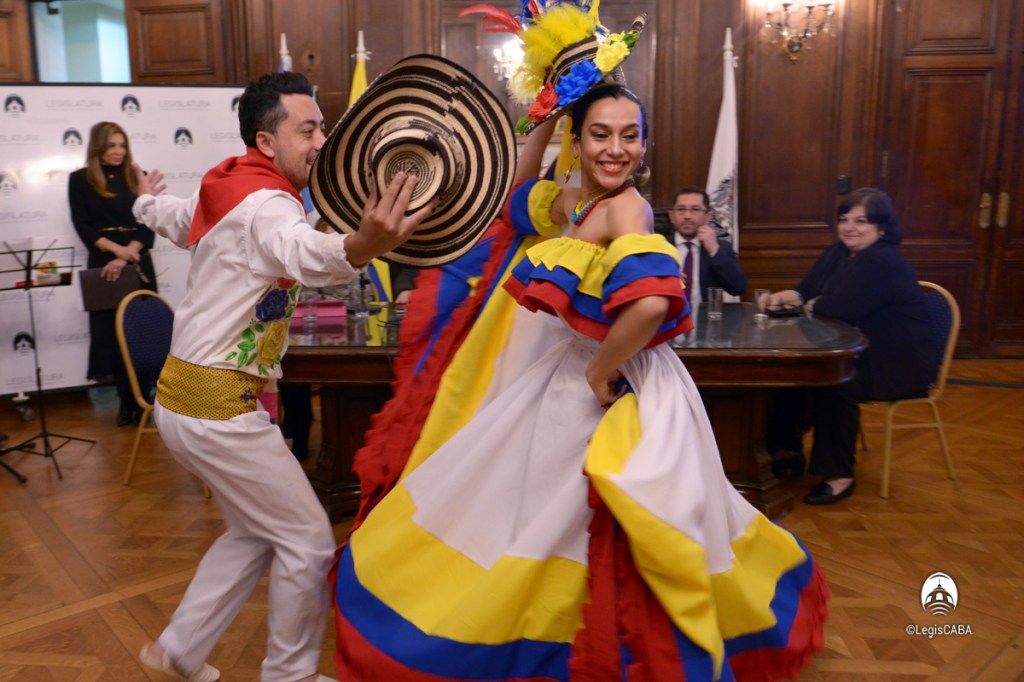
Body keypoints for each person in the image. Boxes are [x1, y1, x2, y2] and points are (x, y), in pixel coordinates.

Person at [331, 81, 827, 680]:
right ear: (578, 139)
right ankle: (552, 630)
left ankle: (582, 643)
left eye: (629, 136)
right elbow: (511, 191)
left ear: (644, 145)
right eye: (600, 134)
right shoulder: (575, 204)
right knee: (542, 518)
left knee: (587, 522)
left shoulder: (628, 208)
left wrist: (599, 370)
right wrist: (546, 110)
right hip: (569, 378)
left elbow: (648, 306)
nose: (616, 149)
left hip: (613, 385)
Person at [129, 71, 433, 682]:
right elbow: (301, 251)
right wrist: (360, 245)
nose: (323, 139)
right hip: (219, 408)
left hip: (185, 401)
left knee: (254, 531)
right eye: (309, 129)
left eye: (322, 125)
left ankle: (176, 650)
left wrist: (140, 199)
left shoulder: (231, 182)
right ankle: (289, 676)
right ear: (267, 143)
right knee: (309, 540)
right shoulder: (268, 203)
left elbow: (173, 213)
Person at [764, 188, 935, 505]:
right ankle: (784, 450)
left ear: (881, 228)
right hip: (860, 350)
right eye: (844, 219)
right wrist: (782, 298)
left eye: (861, 221)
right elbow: (808, 293)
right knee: (789, 374)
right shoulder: (838, 253)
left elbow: (839, 308)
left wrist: (816, 304)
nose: (849, 227)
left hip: (896, 361)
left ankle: (840, 475)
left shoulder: (882, 261)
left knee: (836, 384)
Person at [68, 121, 158, 427]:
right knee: (112, 336)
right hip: (104, 265)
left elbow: (148, 220)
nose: (119, 151)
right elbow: (82, 225)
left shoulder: (137, 177)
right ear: (97, 147)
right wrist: (116, 251)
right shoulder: (79, 180)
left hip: (137, 262)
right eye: (112, 145)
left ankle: (144, 395)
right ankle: (125, 401)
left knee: (142, 333)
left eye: (122, 145)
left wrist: (127, 252)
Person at [657, 185, 747, 303]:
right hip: (668, 317)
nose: (687, 216)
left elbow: (738, 288)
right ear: (671, 216)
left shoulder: (721, 248)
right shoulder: (658, 248)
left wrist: (715, 250)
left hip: (705, 318)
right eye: (681, 209)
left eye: (695, 209)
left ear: (707, 217)